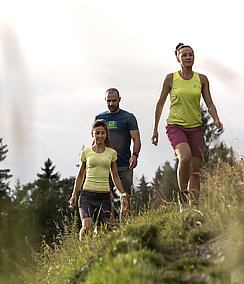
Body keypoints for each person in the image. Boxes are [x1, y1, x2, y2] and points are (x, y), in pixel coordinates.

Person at [151, 43, 223, 211]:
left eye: (190, 54)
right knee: (185, 157)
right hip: (175, 126)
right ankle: (182, 197)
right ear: (178, 58)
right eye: (184, 55)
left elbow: (209, 103)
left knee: (195, 170)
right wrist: (155, 129)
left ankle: (194, 208)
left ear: (194, 57)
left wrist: (216, 119)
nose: (188, 57)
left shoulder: (202, 79)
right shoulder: (170, 78)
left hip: (196, 127)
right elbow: (160, 103)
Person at [70, 119, 128, 241]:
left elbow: (115, 176)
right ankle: (83, 254)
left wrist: (122, 194)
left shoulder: (111, 153)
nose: (99, 136)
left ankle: (96, 257)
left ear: (106, 134)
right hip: (87, 196)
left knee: (101, 232)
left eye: (102, 133)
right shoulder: (86, 152)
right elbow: (80, 175)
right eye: (97, 133)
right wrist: (74, 193)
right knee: (86, 227)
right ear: (92, 134)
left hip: (104, 197)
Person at [95, 88, 141, 216]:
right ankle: (109, 228)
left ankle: (125, 229)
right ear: (105, 100)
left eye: (114, 101)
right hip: (105, 166)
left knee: (125, 199)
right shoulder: (100, 118)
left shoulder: (128, 118)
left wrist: (135, 155)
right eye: (108, 101)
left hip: (124, 165)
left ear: (119, 100)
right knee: (105, 201)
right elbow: (96, 141)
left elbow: (136, 139)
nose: (111, 104)